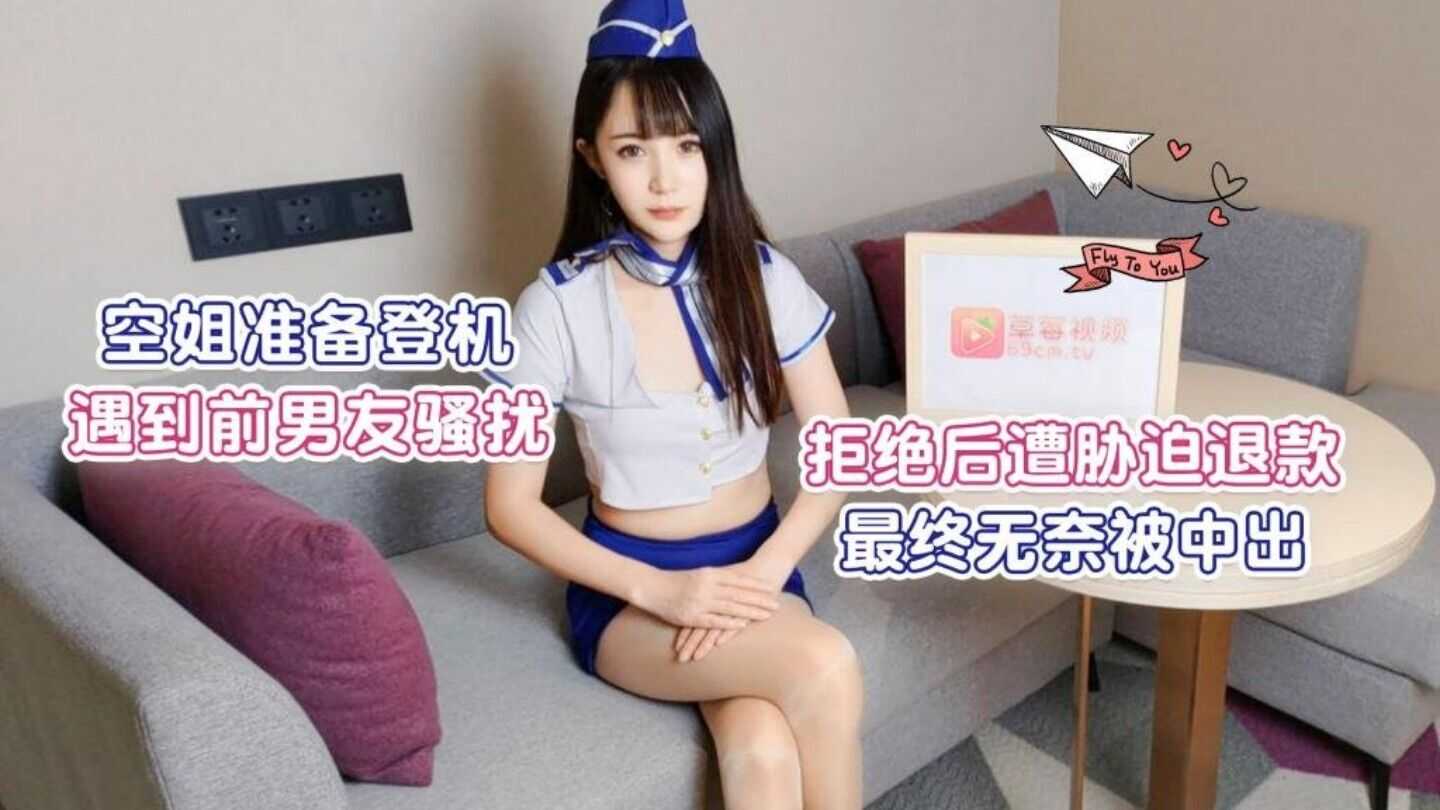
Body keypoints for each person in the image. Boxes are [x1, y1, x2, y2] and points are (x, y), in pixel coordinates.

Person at [483, 2, 863, 807]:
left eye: (688, 146)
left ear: (715, 149)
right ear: (592, 158)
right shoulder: (554, 307)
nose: (665, 180)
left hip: (755, 568)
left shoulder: (765, 279)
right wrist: (661, 592)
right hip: (630, 594)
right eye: (633, 150)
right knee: (825, 663)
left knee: (762, 749)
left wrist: (765, 574)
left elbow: (838, 451)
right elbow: (509, 508)